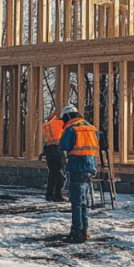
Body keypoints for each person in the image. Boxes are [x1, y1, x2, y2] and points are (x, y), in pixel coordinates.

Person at [58, 104, 97, 243]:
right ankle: (85, 229)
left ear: (68, 116)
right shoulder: (91, 127)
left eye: (64, 119)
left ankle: (77, 231)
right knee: (83, 200)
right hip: (90, 166)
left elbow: (64, 145)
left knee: (76, 201)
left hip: (77, 166)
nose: (64, 122)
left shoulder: (72, 128)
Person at [41, 111, 66, 202]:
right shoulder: (61, 123)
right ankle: (58, 195)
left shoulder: (46, 125)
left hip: (48, 149)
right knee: (59, 172)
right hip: (57, 148)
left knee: (52, 173)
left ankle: (49, 195)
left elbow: (43, 139)